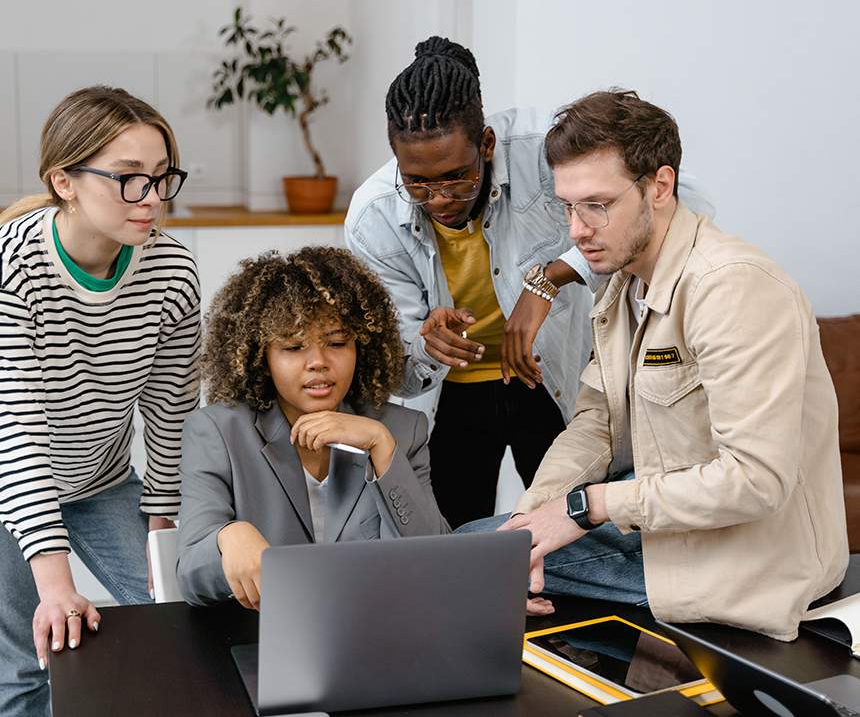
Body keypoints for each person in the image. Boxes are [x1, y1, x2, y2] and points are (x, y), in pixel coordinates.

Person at [463, 89, 847, 641]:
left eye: (597, 205)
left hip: (748, 560)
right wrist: (531, 519)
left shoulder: (732, 287)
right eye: (568, 207)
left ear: (660, 186)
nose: (575, 230)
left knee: (466, 563)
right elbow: (598, 424)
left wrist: (587, 506)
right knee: (487, 547)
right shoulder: (623, 283)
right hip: (667, 528)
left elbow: (757, 480)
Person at [345, 36, 714, 529]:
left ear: (487, 145)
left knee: (573, 532)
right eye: (417, 182)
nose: (438, 199)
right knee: (454, 542)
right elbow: (401, 372)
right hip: (452, 398)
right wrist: (425, 344)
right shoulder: (374, 219)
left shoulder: (546, 150)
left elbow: (683, 208)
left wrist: (550, 279)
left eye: (457, 177)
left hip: (551, 377)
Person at [0, 86, 200, 716]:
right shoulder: (15, 269)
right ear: (64, 181)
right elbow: (21, 431)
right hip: (11, 482)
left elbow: (171, 412)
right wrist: (55, 585)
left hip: (101, 477)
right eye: (128, 179)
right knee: (26, 662)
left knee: (176, 617)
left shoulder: (171, 272)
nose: (153, 199)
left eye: (162, 177)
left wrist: (165, 526)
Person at [176, 247, 449, 609]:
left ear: (361, 347)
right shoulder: (217, 432)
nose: (318, 362)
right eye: (293, 347)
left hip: (377, 631)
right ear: (262, 357)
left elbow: (437, 564)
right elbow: (191, 578)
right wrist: (228, 537)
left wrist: (381, 447)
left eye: (337, 343)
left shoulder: (402, 430)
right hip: (263, 639)